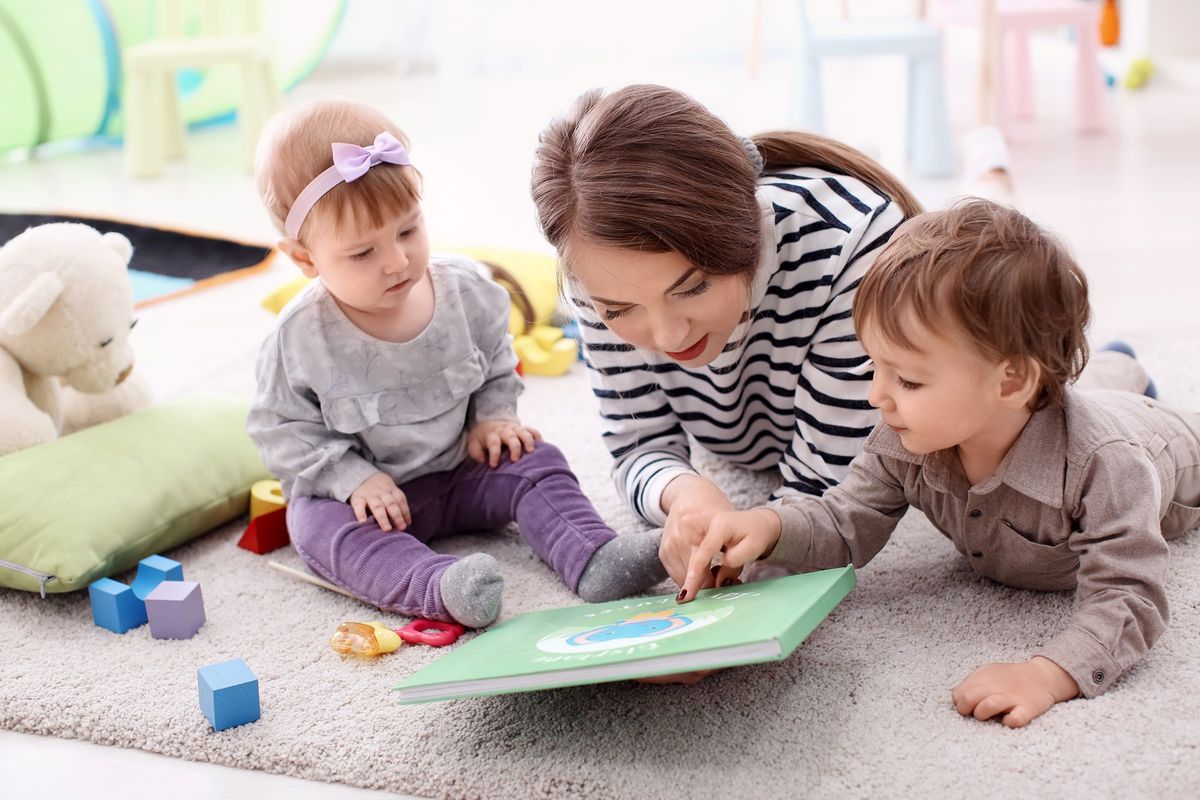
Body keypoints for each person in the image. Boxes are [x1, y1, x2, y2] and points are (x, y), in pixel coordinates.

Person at [675, 199, 1200, 727]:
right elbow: (843, 520)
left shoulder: (1106, 466)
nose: (877, 395)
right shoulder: (905, 438)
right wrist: (766, 526)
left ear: (1011, 380)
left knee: (1111, 408)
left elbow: (1130, 593)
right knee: (1095, 386)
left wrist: (1048, 673)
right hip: (1053, 402)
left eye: (908, 380)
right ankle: (1119, 361)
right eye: (873, 365)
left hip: (1167, 446)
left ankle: (1122, 369)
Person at [247, 100, 664, 628]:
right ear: (305, 258)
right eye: (362, 253)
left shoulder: (466, 290)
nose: (396, 261)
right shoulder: (298, 338)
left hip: (465, 467)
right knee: (315, 527)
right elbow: (280, 429)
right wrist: (351, 479)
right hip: (368, 500)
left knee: (536, 459)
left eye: (407, 230)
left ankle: (593, 556)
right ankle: (442, 587)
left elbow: (494, 358)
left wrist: (493, 418)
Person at [530, 84, 922, 589]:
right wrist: (684, 494)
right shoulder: (594, 268)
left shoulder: (853, 250)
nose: (668, 336)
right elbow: (636, 443)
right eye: (621, 310)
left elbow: (831, 497)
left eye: (692, 287)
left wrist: (731, 595)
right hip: (750, 439)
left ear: (745, 232)